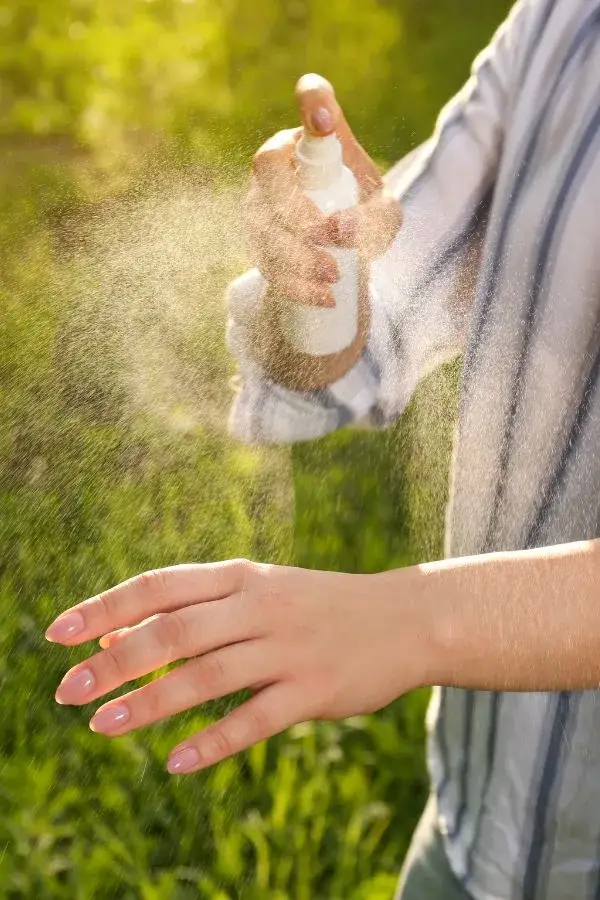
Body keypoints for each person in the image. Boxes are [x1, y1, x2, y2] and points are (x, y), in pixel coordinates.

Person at [44, 0, 600, 896]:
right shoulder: (567, 25)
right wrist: (314, 274)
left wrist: (410, 623)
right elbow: (373, 328)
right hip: (482, 822)